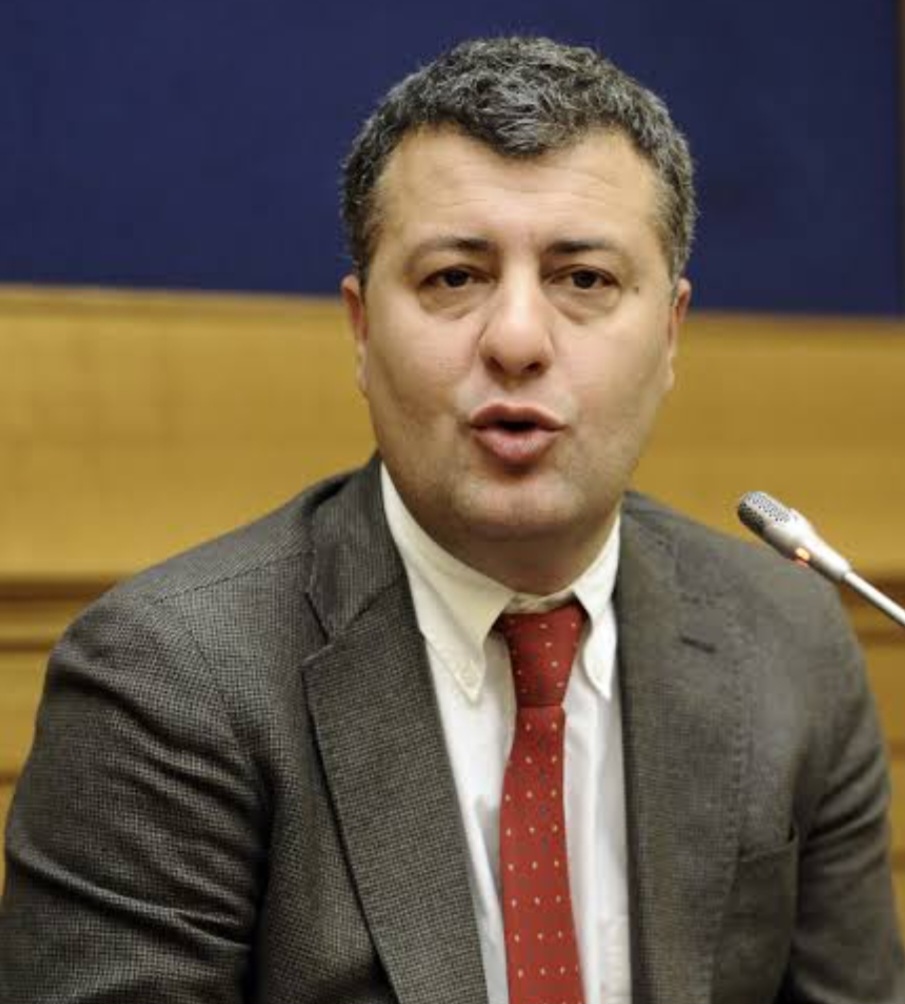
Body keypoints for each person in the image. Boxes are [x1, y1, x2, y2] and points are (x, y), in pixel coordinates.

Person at [1, 35, 902, 1004]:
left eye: (583, 279)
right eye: (453, 277)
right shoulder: (168, 678)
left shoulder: (789, 643)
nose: (515, 339)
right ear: (360, 330)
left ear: (671, 333)